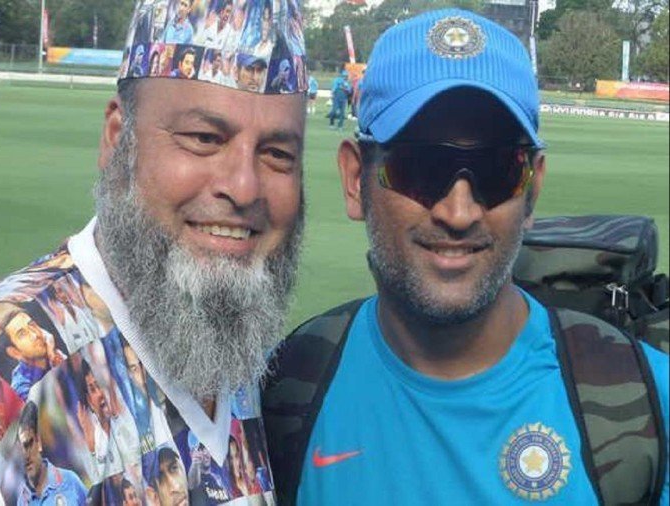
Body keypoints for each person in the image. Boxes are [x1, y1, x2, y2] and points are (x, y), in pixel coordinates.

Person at [263, 8, 669, 505]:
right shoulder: (281, 393)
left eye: (497, 169)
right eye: (420, 167)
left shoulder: (650, 403)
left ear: (533, 188)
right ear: (354, 180)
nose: (458, 213)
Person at [0, 0, 309, 502]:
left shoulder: (226, 341)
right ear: (116, 138)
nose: (244, 187)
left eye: (277, 154)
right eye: (203, 138)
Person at [16, 401, 87, 505]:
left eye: (28, 445)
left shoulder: (70, 482)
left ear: (38, 442)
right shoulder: (22, 502)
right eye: (19, 450)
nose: (25, 455)